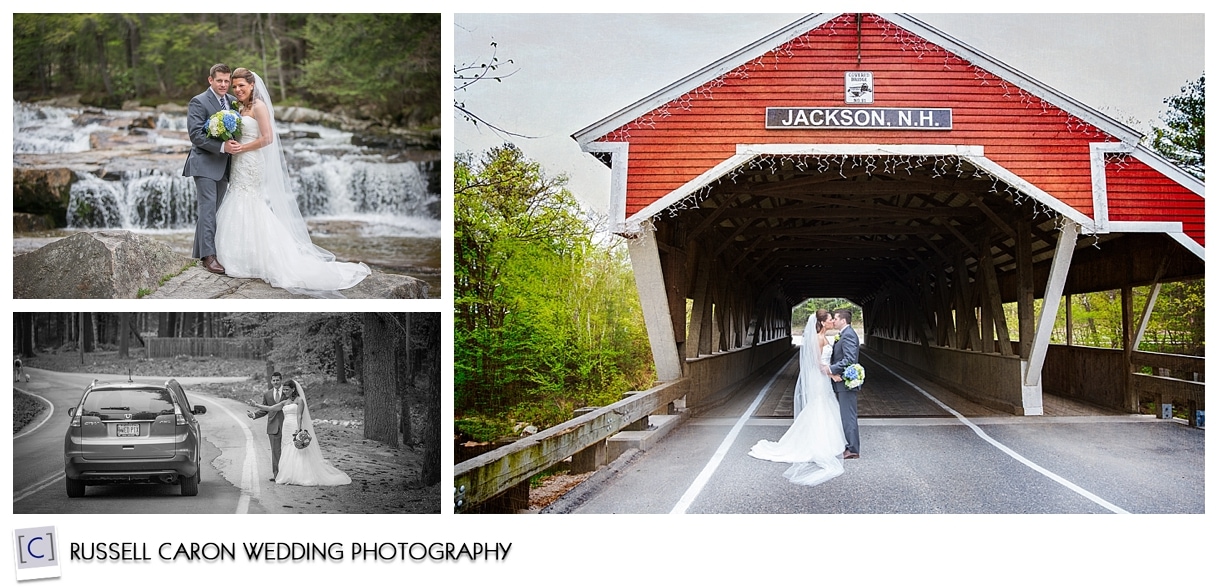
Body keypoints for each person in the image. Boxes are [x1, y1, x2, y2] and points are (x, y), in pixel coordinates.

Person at [214, 67, 370, 297]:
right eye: (234, 86)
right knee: (237, 198)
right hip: (238, 162)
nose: (237, 90)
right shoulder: (238, 107)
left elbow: (267, 138)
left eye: (241, 86)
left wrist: (242, 148)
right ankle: (241, 255)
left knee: (249, 201)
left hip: (251, 160)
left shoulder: (259, 107)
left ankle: (264, 258)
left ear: (252, 86)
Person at [748, 309, 847, 487]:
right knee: (819, 407)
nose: (833, 321)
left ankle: (825, 442)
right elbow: (817, 363)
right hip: (820, 379)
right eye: (831, 319)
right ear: (823, 322)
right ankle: (817, 443)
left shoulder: (825, 337)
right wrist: (832, 375)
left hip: (822, 378)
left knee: (822, 408)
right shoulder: (817, 338)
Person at [183, 63, 234, 275]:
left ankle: (201, 252)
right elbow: (196, 135)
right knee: (207, 210)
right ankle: (209, 258)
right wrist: (222, 146)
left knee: (214, 211)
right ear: (210, 80)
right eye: (219, 80)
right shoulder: (199, 101)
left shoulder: (232, 102)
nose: (223, 84)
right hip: (204, 163)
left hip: (224, 166)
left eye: (226, 81)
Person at [249, 380, 351, 486]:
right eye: (284, 390)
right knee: (287, 450)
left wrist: (298, 429)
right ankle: (288, 475)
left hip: (295, 426)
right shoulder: (285, 402)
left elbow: (299, 415)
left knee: (297, 450)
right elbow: (270, 408)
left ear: (293, 389)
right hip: (286, 428)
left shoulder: (299, 400)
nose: (285, 391)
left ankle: (301, 476)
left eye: (287, 390)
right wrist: (256, 405)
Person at [825, 308, 861, 459]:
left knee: (848, 416)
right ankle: (849, 445)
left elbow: (850, 359)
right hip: (842, 381)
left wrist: (830, 369)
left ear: (843, 320)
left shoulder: (848, 335)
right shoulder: (844, 334)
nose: (834, 321)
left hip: (846, 382)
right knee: (846, 415)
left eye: (836, 318)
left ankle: (853, 449)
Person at [247, 372, 287, 480]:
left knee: (288, 451)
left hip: (287, 426)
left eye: (277, 380)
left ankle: (289, 474)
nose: (275, 382)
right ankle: (277, 475)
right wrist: (254, 414)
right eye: (273, 380)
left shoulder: (287, 392)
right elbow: (265, 409)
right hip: (273, 427)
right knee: (275, 451)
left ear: (281, 380)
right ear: (271, 381)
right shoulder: (267, 394)